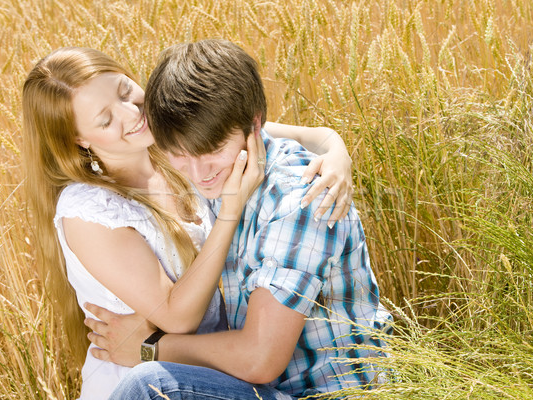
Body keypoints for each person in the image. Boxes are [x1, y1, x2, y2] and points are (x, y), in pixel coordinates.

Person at [22, 47, 355, 400]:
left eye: (124, 91)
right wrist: (230, 210)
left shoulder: (172, 144)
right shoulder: (90, 210)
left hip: (206, 374)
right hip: (144, 379)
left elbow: (253, 129)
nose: (132, 113)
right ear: (79, 140)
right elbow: (177, 317)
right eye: (105, 120)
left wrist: (335, 151)